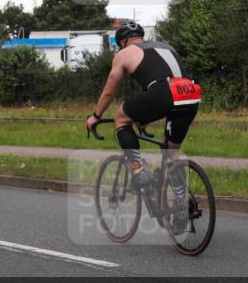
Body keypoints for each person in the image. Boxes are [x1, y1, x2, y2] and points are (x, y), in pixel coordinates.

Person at [85, 21, 202, 199]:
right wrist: (145, 118)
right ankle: (182, 204)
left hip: (164, 91)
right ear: (141, 37)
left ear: (122, 42)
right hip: (190, 93)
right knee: (172, 154)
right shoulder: (166, 46)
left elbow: (109, 91)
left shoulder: (124, 53)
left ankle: (138, 171)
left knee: (121, 118)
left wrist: (96, 116)